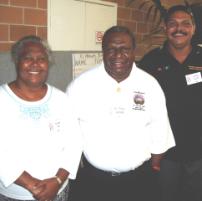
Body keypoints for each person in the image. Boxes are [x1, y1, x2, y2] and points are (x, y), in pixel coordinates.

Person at [65, 25, 175, 201]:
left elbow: (160, 127)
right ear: (103, 50)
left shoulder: (150, 84)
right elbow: (68, 132)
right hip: (93, 181)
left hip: (139, 181)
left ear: (133, 51)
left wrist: (154, 165)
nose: (118, 55)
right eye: (111, 49)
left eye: (124, 49)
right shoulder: (81, 86)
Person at [0, 35, 82, 201]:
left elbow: (74, 142)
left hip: (58, 191)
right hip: (14, 196)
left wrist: (58, 181)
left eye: (41, 59)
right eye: (28, 58)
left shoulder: (61, 99)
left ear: (48, 63)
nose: (35, 63)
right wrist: (32, 185)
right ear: (17, 61)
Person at [139, 5, 202, 201]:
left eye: (185, 24)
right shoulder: (151, 60)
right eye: (173, 24)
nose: (179, 28)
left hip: (198, 151)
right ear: (166, 28)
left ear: (194, 28)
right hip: (164, 153)